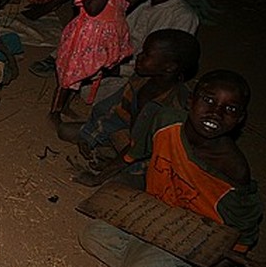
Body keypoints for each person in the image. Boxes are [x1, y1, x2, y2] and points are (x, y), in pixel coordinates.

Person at [79, 70, 261, 267]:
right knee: (92, 235)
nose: (216, 113)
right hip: (160, 215)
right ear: (190, 101)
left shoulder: (233, 169)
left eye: (230, 109)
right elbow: (134, 153)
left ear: (240, 119)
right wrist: (98, 177)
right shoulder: (165, 121)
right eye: (208, 100)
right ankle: (153, 262)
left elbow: (244, 236)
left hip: (198, 235)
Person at [60, 29, 200, 185]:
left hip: (154, 157)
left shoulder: (173, 108)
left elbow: (143, 149)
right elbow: (113, 110)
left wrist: (98, 178)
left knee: (117, 181)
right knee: (67, 131)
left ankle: (115, 163)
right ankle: (112, 158)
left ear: (169, 67)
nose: (139, 56)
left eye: (147, 54)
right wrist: (89, 136)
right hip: (131, 139)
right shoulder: (141, 80)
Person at [49, 0, 134, 127]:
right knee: (70, 76)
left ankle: (65, 106)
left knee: (86, 75)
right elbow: (93, 9)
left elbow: (120, 8)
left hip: (103, 43)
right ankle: (55, 111)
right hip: (84, 40)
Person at [93, 0, 201, 102]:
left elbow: (167, 65)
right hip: (124, 65)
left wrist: (117, 70)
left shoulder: (183, 16)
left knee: (109, 94)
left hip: (148, 74)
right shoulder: (142, 2)